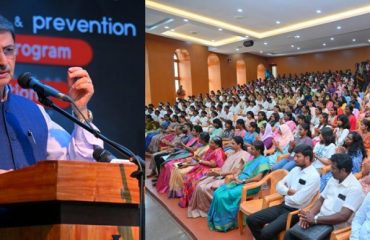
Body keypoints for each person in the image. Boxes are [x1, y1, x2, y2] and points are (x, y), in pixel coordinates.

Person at [0, 15, 102, 172]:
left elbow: (76, 168)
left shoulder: (35, 112)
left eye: (8, 50)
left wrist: (80, 110)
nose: (3, 62)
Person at [247, 144, 320, 240]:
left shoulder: (313, 176)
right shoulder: (295, 170)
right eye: (295, 156)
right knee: (251, 219)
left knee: (266, 232)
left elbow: (298, 200)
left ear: (307, 158)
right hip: (283, 205)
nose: (294, 159)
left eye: (298, 156)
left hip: (295, 212)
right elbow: (279, 185)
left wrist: (285, 194)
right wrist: (288, 191)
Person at [284, 153, 365, 240]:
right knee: (290, 234)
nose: (330, 170)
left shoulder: (355, 188)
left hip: (334, 227)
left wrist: (315, 219)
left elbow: (343, 216)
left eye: (333, 168)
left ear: (343, 170)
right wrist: (310, 215)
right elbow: (321, 199)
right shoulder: (333, 179)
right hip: (320, 218)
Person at [207, 140, 270, 232]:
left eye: (252, 149)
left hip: (250, 185)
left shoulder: (264, 160)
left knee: (223, 197)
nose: (249, 150)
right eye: (250, 148)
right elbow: (241, 170)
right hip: (240, 181)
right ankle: (217, 221)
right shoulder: (252, 157)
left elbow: (258, 178)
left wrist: (243, 181)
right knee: (217, 193)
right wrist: (236, 177)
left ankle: (227, 223)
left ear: (259, 151)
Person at [188, 136, 250, 218]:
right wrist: (216, 171)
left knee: (205, 188)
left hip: (229, 178)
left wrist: (219, 174)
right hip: (221, 174)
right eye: (230, 143)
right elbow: (224, 166)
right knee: (200, 184)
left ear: (239, 144)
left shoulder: (244, 155)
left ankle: (210, 209)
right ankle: (203, 209)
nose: (230, 145)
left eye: (233, 143)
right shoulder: (232, 153)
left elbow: (235, 172)